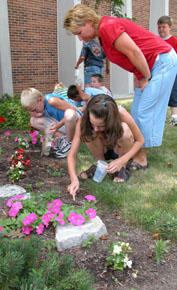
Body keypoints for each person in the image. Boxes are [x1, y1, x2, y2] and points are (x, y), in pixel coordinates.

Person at [63, 4, 177, 171]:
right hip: (148, 66)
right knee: (137, 110)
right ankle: (132, 151)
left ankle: (141, 159)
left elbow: (135, 52)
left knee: (145, 110)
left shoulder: (107, 27)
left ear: (88, 22)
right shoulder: (102, 33)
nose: (80, 38)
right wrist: (140, 76)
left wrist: (146, 77)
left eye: (79, 32)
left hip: (162, 62)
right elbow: (132, 55)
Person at [67, 94, 144, 196]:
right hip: (102, 148)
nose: (95, 128)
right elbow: (72, 154)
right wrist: (74, 179)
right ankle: (101, 165)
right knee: (88, 131)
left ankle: (122, 168)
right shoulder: (84, 120)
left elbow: (140, 140)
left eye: (101, 126)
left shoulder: (121, 114)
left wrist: (122, 160)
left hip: (119, 147)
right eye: (92, 123)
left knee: (124, 129)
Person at [20, 87, 82, 158]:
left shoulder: (51, 100)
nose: (33, 112)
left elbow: (73, 109)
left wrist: (58, 125)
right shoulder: (43, 105)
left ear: (40, 100)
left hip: (78, 123)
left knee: (69, 113)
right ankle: (63, 139)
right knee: (33, 120)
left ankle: (69, 143)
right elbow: (50, 112)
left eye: (34, 110)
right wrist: (38, 114)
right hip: (66, 123)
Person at [157, 15, 177, 126]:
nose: (161, 29)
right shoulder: (155, 40)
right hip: (159, 72)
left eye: (163, 27)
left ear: (169, 27)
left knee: (173, 94)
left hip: (173, 72)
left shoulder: (174, 41)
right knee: (160, 94)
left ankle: (174, 117)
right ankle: (160, 117)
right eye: (159, 27)